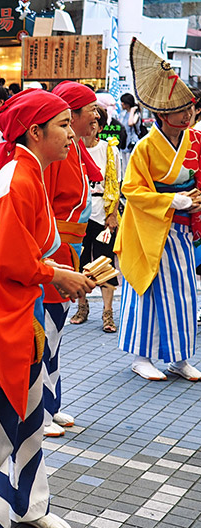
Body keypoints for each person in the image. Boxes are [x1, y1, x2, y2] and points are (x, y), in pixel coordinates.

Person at [0, 89, 94, 528]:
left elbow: (19, 254)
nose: (72, 134)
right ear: (35, 131)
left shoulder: (25, 172)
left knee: (25, 420)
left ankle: (29, 507)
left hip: (19, 313)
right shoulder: (18, 177)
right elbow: (6, 258)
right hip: (0, 319)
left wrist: (55, 275)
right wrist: (56, 275)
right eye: (64, 125)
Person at [116, 38, 201, 382]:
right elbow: (131, 189)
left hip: (182, 228)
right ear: (162, 115)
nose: (189, 115)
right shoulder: (145, 147)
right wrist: (171, 200)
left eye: (191, 109)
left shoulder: (194, 141)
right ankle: (141, 356)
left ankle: (180, 357)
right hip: (151, 227)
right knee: (147, 289)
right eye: (182, 111)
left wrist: (192, 201)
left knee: (184, 292)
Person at [40, 81, 102, 437]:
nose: (96, 115)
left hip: (70, 248)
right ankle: (41, 410)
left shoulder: (74, 148)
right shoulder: (55, 153)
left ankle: (53, 403)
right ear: (71, 114)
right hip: (54, 249)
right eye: (89, 110)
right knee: (46, 334)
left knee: (56, 334)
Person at [70, 104, 120, 333]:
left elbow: (116, 183)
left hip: (102, 210)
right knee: (79, 260)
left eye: (95, 124)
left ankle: (107, 312)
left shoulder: (110, 150)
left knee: (104, 261)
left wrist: (112, 213)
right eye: (88, 123)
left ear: (100, 126)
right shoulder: (71, 148)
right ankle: (82, 306)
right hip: (78, 213)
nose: (90, 128)